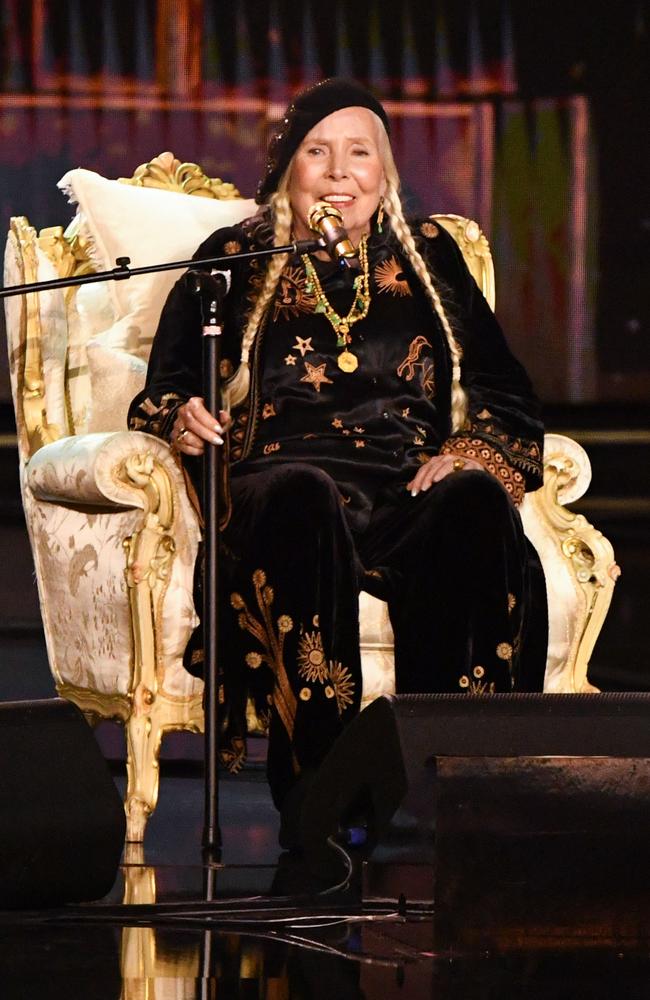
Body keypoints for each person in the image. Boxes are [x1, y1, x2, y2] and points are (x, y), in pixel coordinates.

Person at [129, 78, 546, 821]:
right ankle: (323, 792)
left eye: (360, 153)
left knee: (473, 501)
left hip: (398, 487)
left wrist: (471, 451)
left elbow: (503, 390)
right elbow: (164, 390)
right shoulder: (231, 258)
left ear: (384, 172)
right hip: (278, 482)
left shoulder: (428, 256)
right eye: (317, 152)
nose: (339, 170)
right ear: (287, 167)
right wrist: (182, 419)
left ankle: (460, 785)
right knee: (303, 496)